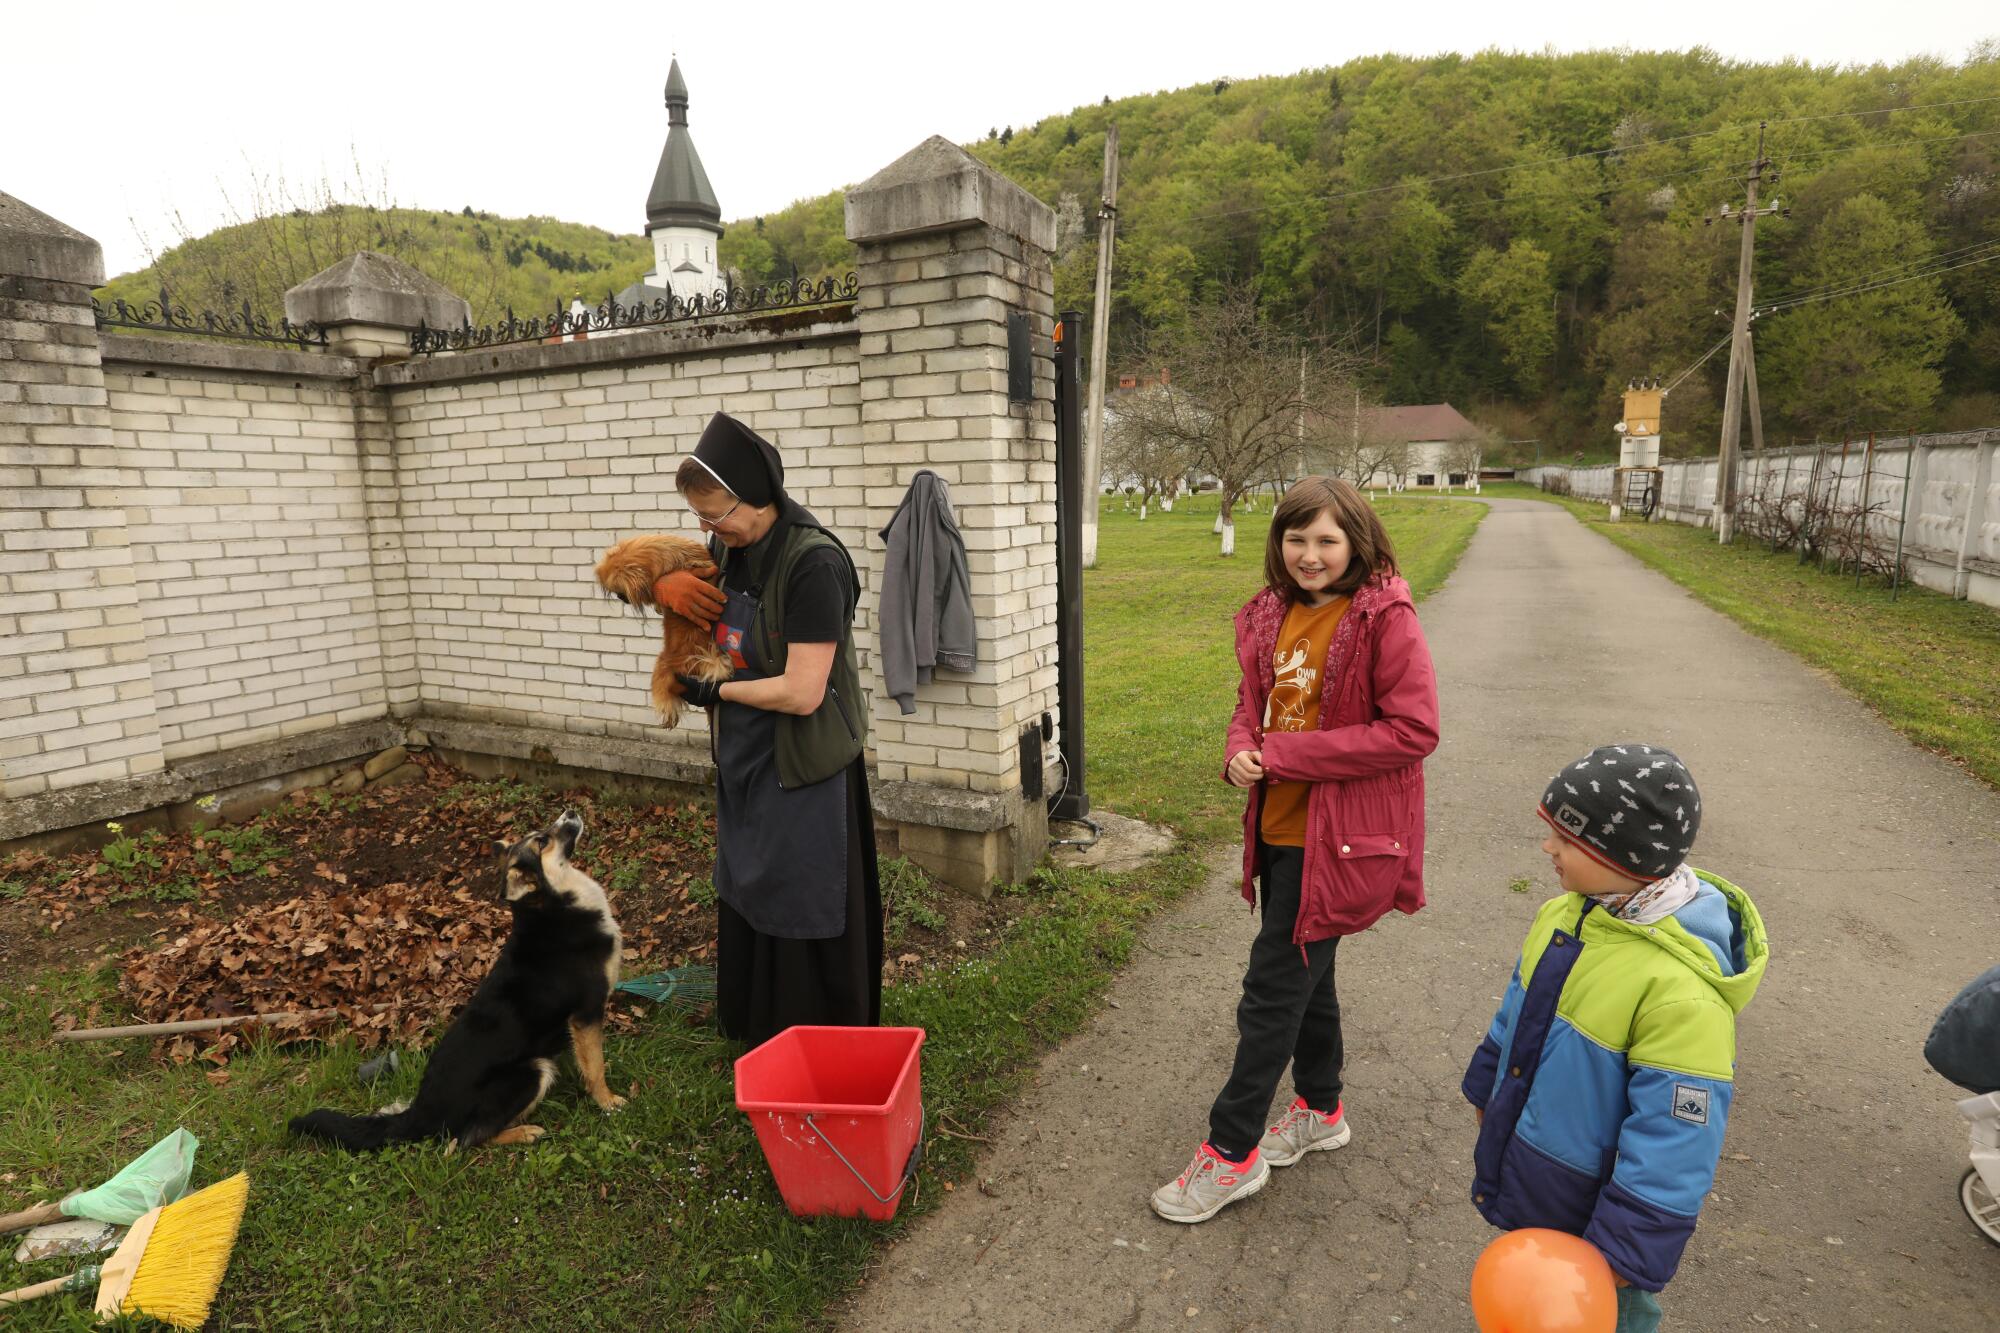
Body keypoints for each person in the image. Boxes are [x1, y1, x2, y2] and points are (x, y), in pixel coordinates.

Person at [1150, 475, 1439, 1224]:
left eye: (1327, 540)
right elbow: (1254, 708)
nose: (1310, 554)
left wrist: (1287, 755)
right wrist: (1242, 749)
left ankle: (1232, 1151)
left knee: (1272, 991)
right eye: (1296, 537)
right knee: (1309, 976)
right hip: (1279, 830)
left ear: (1357, 542)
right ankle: (1321, 1107)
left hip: (1341, 843)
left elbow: (1413, 731)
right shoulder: (1270, 615)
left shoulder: (1384, 616)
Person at [1463, 745, 1769, 1333]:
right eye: (1550, 832)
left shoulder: (1680, 992)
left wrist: (1625, 1247)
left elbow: (1676, 1136)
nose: (1548, 848)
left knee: (1610, 1319)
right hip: (1543, 1175)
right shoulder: (1564, 916)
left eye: (1567, 839)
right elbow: (1517, 1011)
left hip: (1601, 1221)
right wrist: (1487, 1086)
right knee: (1531, 1302)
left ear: (1627, 857)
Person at [652, 412, 882, 1047]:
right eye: (700, 518)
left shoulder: (814, 566)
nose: (708, 530)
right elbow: (641, 572)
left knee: (799, 898)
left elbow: (803, 692)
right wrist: (661, 585)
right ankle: (756, 1028)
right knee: (749, 884)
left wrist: (713, 690)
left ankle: (815, 1040)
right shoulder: (732, 545)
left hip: (804, 760)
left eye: (716, 515)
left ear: (758, 493)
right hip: (746, 754)